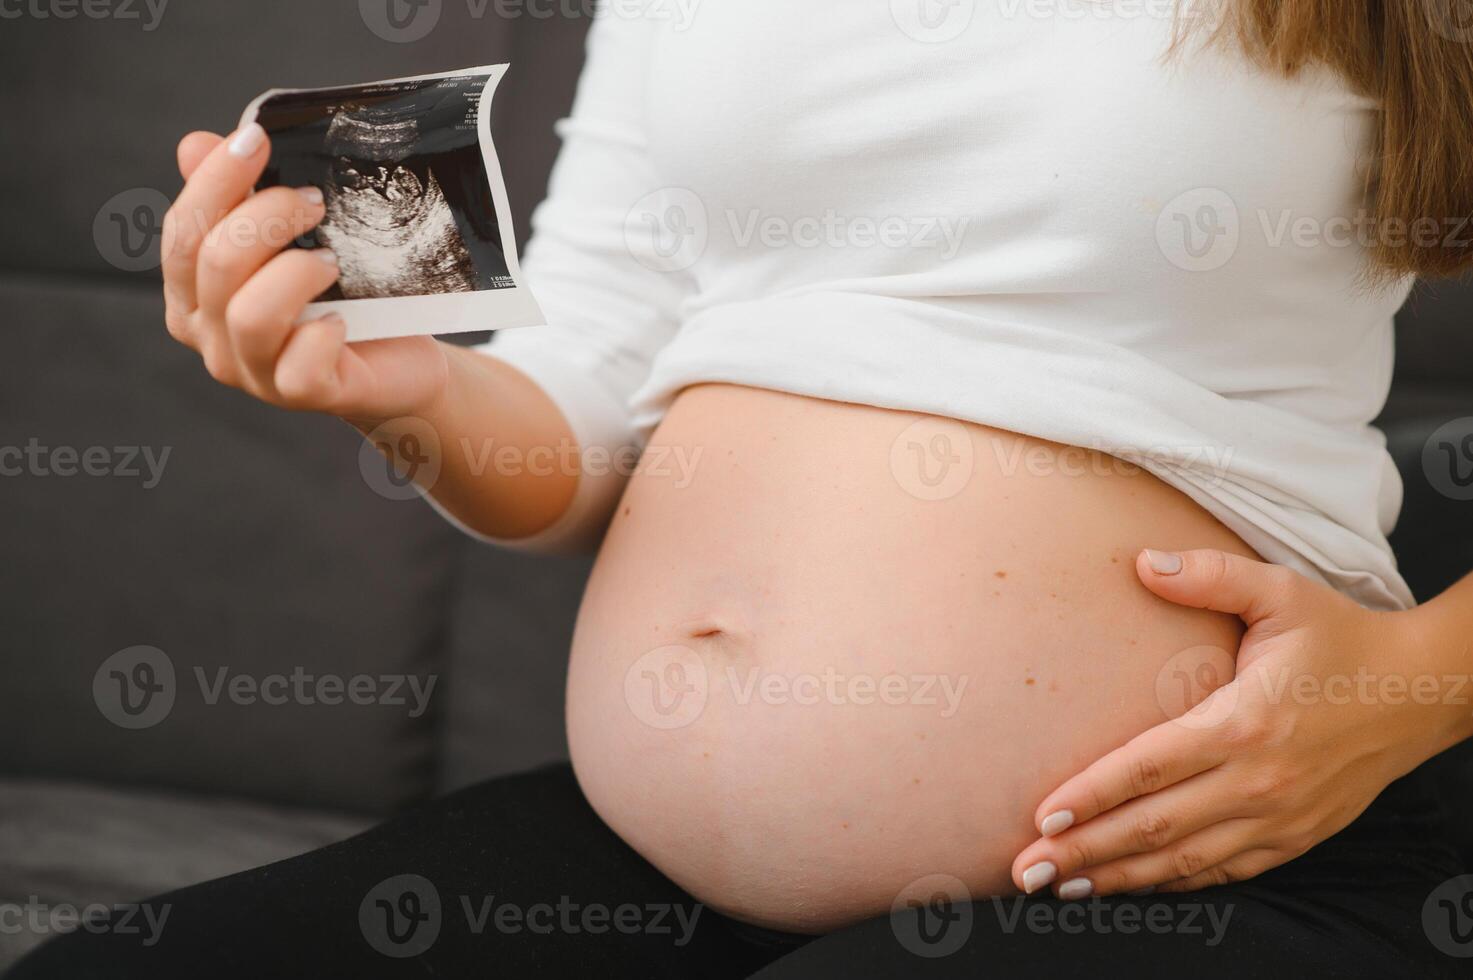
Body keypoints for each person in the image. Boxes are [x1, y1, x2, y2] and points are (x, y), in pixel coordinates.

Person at [12, 2, 1473, 977]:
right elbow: (585, 396)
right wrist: (415, 395)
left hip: (1189, 856)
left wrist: (1416, 681)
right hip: (654, 860)